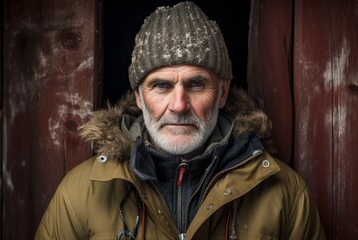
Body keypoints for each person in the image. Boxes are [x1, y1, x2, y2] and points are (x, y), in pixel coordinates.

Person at [35, 2, 326, 239]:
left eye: (196, 84)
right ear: (139, 97)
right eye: (161, 85)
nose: (178, 105)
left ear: (222, 93)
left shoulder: (285, 193)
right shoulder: (81, 192)